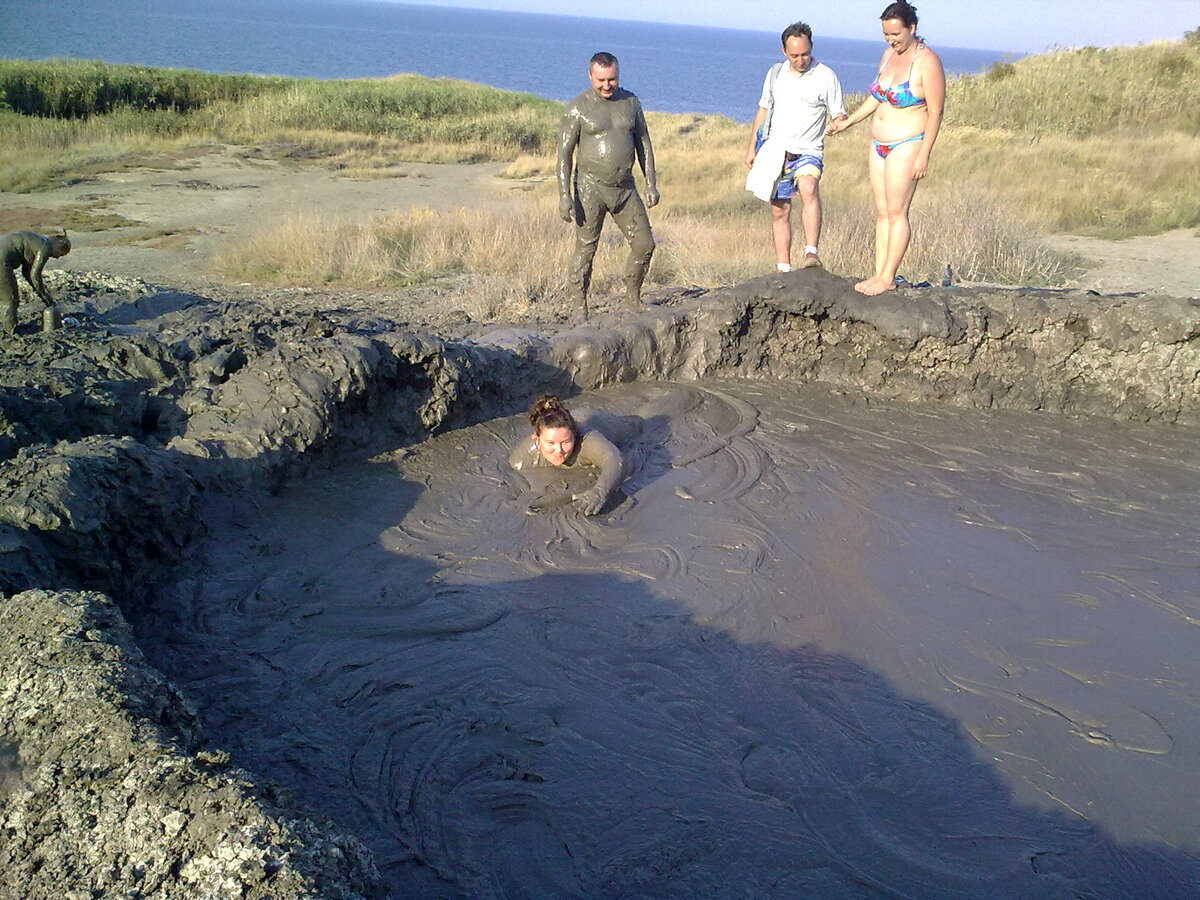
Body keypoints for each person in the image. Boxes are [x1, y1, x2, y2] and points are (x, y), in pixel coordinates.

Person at [826, 1, 945, 295]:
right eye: (886, 35)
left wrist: (924, 154)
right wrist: (848, 122)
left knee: (897, 212)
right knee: (881, 213)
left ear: (911, 28)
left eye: (896, 34)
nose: (891, 40)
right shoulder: (888, 56)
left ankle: (888, 276)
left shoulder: (927, 62)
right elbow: (877, 97)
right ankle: (879, 273)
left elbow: (936, 112)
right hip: (878, 143)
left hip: (907, 143)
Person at [558, 52, 660, 319]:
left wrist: (651, 183)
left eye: (612, 79)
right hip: (590, 188)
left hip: (625, 189)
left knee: (645, 244)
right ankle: (579, 307)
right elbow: (564, 154)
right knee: (586, 248)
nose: (606, 85)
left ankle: (632, 298)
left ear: (618, 75)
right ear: (590, 76)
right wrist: (564, 195)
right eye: (601, 80)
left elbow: (644, 144)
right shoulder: (577, 107)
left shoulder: (631, 103)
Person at [744, 22, 846, 273]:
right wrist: (751, 147)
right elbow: (764, 108)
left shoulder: (825, 75)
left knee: (808, 188)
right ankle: (783, 267)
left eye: (805, 54)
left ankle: (811, 253)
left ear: (811, 48)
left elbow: (839, 111)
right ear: (784, 52)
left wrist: (838, 122)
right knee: (779, 209)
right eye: (794, 55)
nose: (801, 60)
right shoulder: (775, 74)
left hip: (809, 149)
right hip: (776, 149)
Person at [508, 394, 638, 516]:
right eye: (550, 443)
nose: (559, 450)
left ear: (575, 436)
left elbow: (616, 458)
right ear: (536, 438)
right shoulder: (524, 457)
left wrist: (600, 491)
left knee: (638, 424)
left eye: (566, 442)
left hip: (608, 423)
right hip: (576, 416)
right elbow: (509, 472)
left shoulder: (586, 439)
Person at [1, 229, 71, 334]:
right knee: (10, 300)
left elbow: (27, 273)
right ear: (58, 246)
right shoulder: (45, 247)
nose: (56, 258)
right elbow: (35, 275)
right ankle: (10, 333)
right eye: (60, 254)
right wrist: (44, 295)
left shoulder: (37, 241)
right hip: (2, 262)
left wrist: (41, 293)